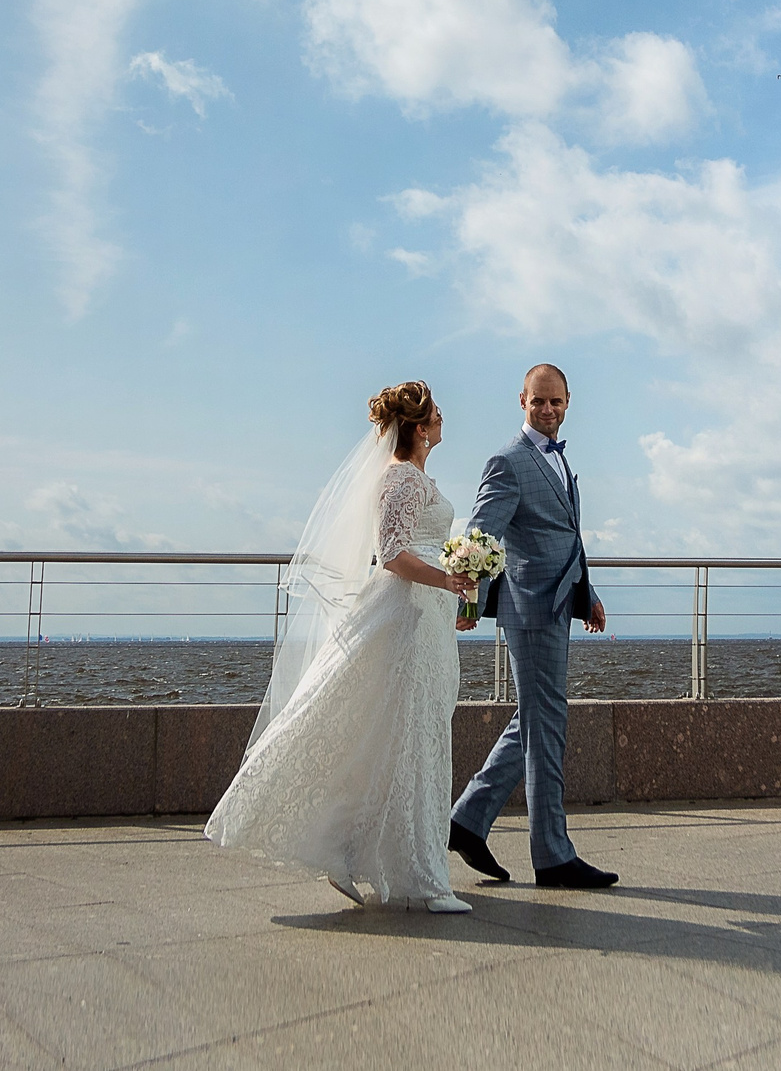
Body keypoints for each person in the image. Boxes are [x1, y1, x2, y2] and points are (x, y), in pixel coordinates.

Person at [204, 381, 480, 911]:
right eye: (438, 414)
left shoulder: (411, 476)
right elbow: (393, 553)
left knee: (397, 740)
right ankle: (422, 880)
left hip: (422, 616)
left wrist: (456, 586)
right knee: (408, 740)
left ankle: (352, 855)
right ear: (420, 428)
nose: (444, 420)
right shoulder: (401, 478)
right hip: (404, 615)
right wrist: (447, 580)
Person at [448, 363, 620, 889]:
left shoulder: (562, 463)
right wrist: (470, 603)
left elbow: (567, 536)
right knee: (547, 725)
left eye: (557, 403)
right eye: (538, 402)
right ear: (521, 400)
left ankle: (467, 820)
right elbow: (481, 534)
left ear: (568, 403)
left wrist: (585, 594)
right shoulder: (508, 461)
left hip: (559, 603)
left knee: (534, 719)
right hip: (530, 610)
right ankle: (552, 855)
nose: (548, 410)